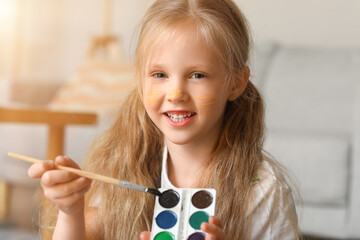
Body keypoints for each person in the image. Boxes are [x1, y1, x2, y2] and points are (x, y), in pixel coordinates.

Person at [28, 0, 300, 239]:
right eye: (159, 75)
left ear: (236, 83)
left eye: (197, 75)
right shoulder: (120, 164)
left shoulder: (263, 189)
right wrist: (71, 211)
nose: (176, 94)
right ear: (140, 80)